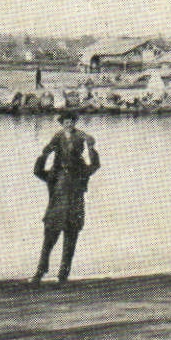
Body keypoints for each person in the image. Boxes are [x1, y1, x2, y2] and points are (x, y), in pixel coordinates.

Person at [32, 110, 101, 282]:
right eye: (65, 122)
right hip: (58, 213)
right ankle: (43, 271)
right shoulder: (58, 174)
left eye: (71, 121)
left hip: (68, 213)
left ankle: (58, 274)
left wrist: (91, 147)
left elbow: (95, 165)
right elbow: (38, 171)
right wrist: (45, 154)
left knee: (63, 243)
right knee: (51, 243)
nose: (68, 124)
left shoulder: (78, 172)